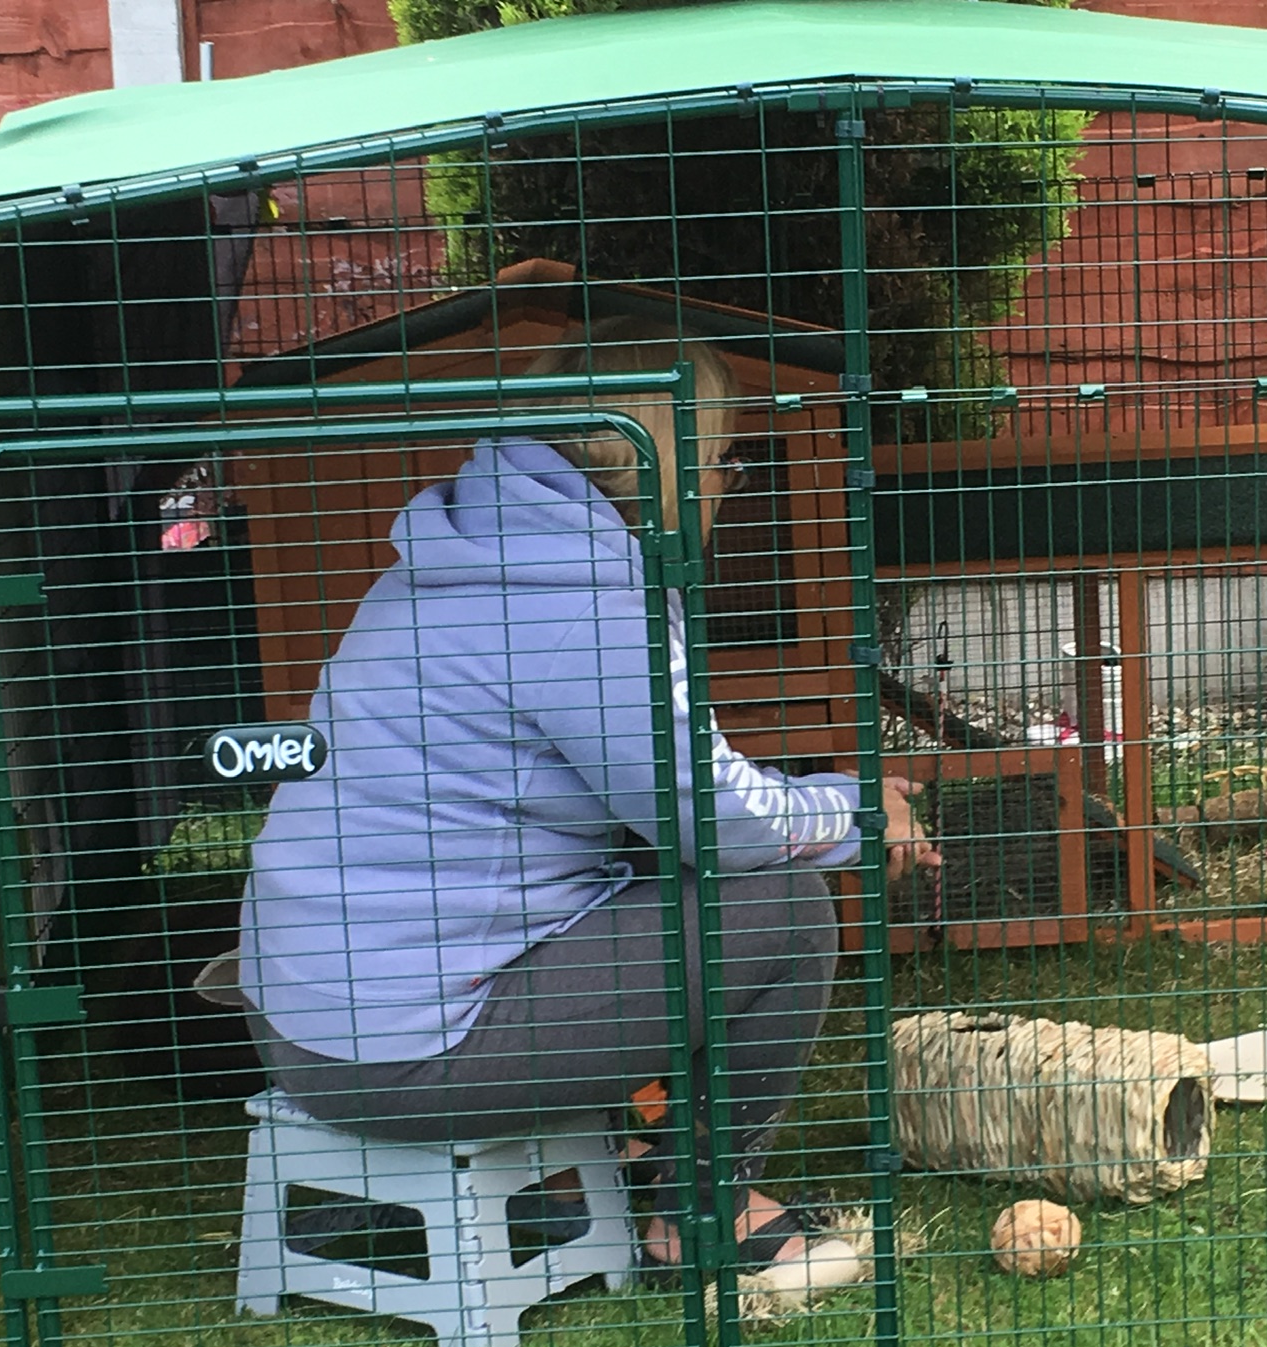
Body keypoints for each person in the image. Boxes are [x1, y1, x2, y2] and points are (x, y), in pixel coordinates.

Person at [237, 315, 936, 1269]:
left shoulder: (473, 544)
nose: (731, 483)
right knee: (784, 912)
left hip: (307, 1023)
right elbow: (716, 821)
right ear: (667, 460)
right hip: (398, 1057)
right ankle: (700, 1218)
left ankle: (593, 1169)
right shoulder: (581, 598)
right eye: (728, 458)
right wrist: (857, 811)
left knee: (649, 878)